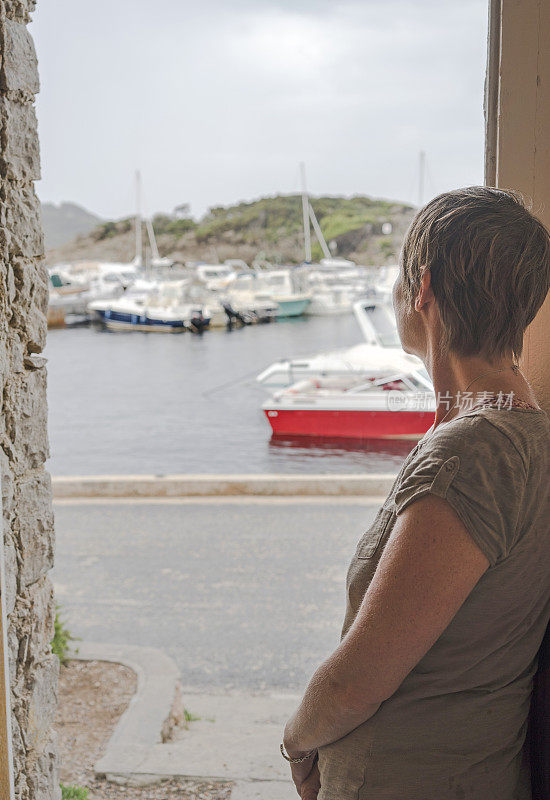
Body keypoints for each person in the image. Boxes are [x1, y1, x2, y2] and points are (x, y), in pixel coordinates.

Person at [280, 187, 550, 800]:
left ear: (421, 289)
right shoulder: (528, 434)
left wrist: (296, 739)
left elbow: (358, 682)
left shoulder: (472, 456)